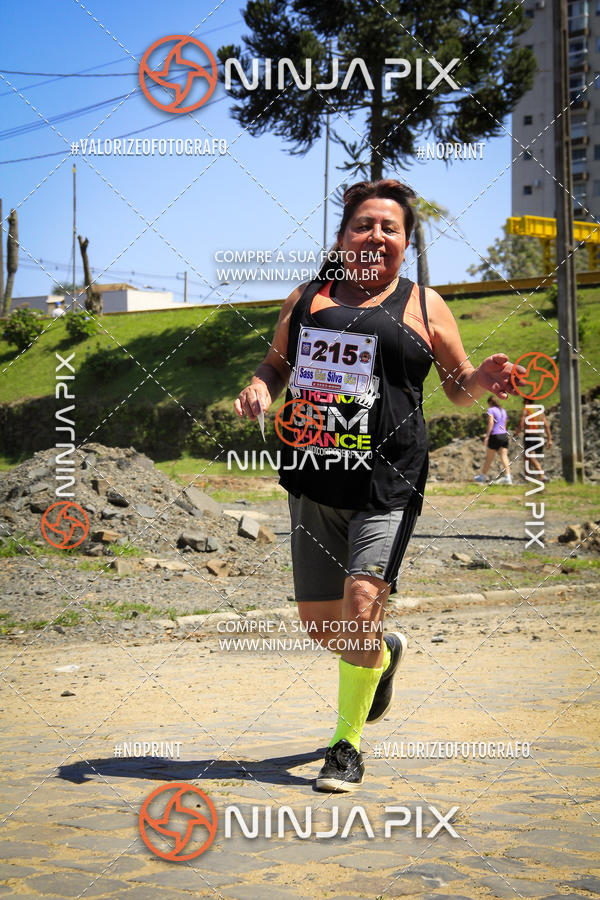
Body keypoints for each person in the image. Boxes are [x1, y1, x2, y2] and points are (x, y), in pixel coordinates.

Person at [234, 179, 524, 792]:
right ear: (343, 238)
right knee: (326, 627)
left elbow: (455, 384)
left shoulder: (425, 306)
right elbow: (277, 363)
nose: (376, 236)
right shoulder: (309, 298)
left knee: (361, 603)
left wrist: (485, 378)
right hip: (315, 479)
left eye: (390, 228)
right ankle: (384, 655)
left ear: (406, 241)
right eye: (364, 225)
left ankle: (346, 745)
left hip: (389, 484)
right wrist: (261, 387)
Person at [473, 397, 512, 484]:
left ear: (490, 403)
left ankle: (482, 477)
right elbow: (505, 424)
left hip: (495, 435)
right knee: (504, 456)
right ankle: (508, 477)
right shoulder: (503, 411)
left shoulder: (491, 410)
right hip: (504, 435)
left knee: (489, 458)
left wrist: (487, 437)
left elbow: (491, 423)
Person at [515, 396, 553, 481]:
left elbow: (521, 422)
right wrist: (549, 439)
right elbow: (546, 426)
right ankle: (527, 477)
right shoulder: (539, 412)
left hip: (529, 436)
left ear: (527, 401)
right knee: (526, 457)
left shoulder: (526, 410)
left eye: (524, 401)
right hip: (537, 436)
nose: (523, 403)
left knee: (530, 456)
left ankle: (542, 475)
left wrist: (517, 432)